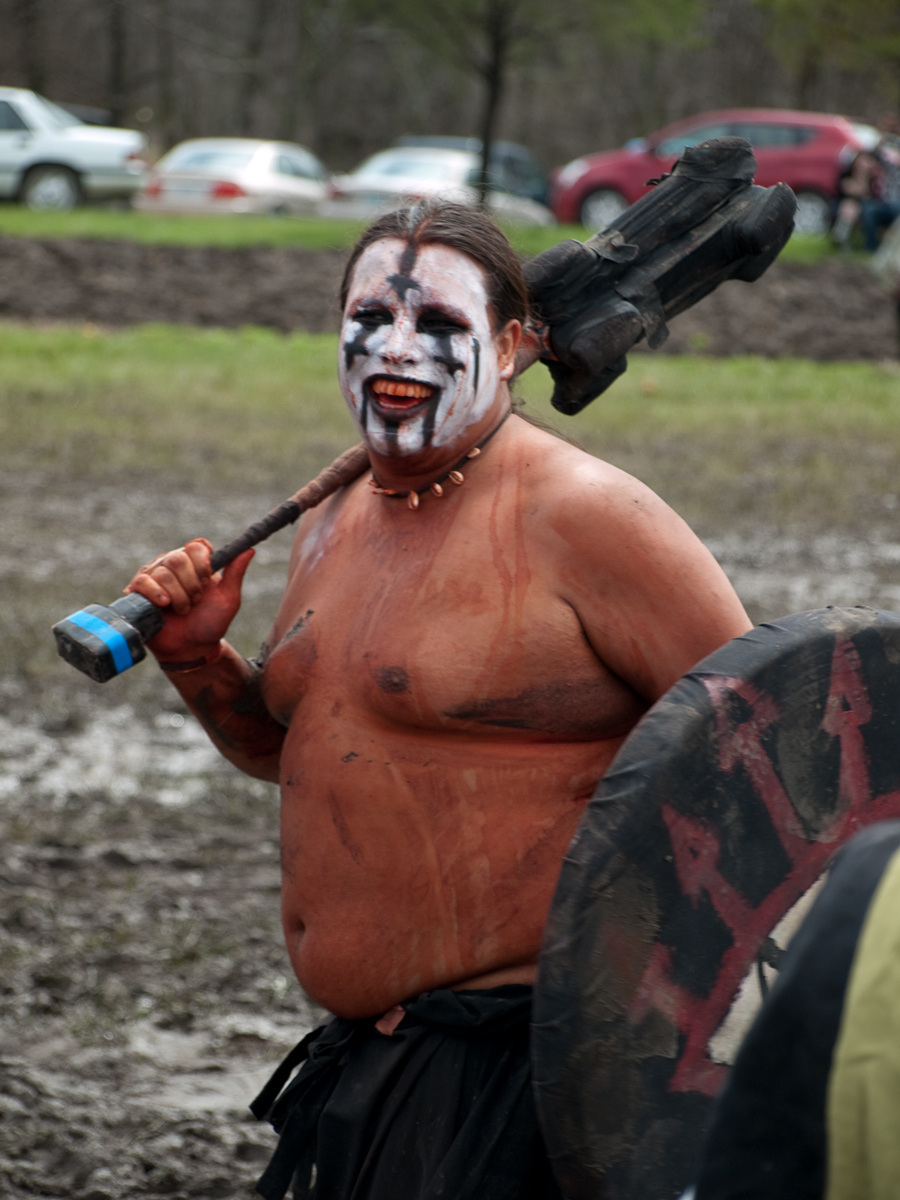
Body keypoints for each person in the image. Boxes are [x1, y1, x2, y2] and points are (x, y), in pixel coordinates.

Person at [124, 200, 751, 1200]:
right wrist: (199, 661)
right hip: (376, 1066)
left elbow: (766, 758)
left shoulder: (591, 516)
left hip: (533, 1077)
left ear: (510, 346)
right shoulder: (335, 513)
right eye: (370, 318)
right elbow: (310, 750)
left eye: (440, 323)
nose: (395, 346)